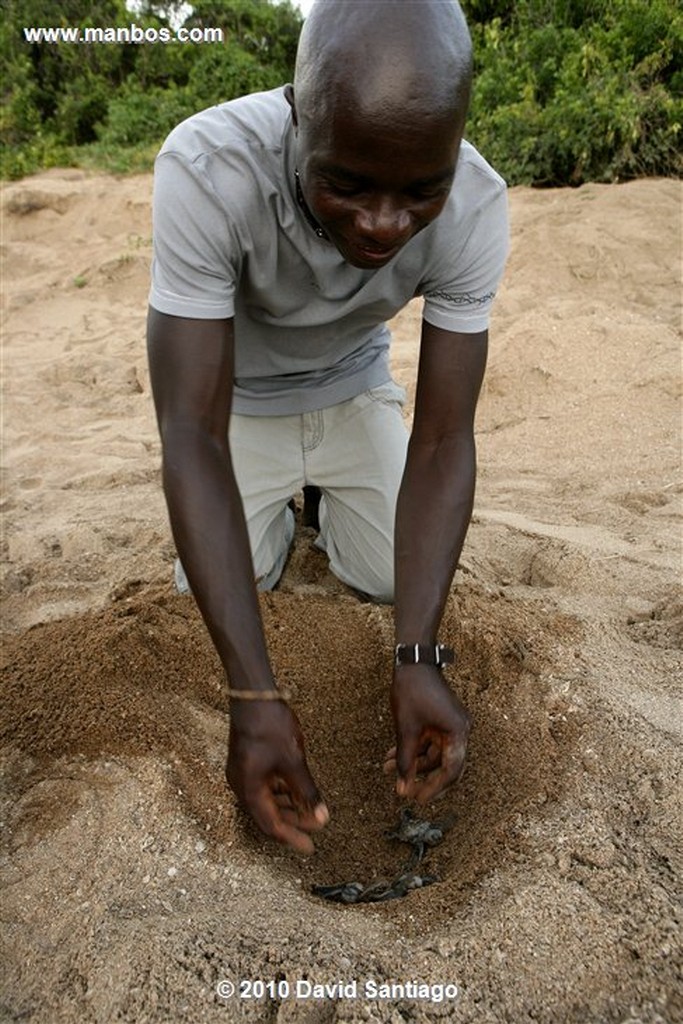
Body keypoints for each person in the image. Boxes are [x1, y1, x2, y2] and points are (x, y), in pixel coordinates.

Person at [147, 0, 509, 854]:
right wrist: (253, 697)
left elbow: (443, 437)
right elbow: (188, 432)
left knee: (394, 577)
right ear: (296, 114)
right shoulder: (207, 168)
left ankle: (322, 499)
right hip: (233, 404)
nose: (384, 224)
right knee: (226, 584)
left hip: (353, 389)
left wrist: (416, 657)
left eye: (420, 190)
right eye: (346, 183)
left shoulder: (475, 205)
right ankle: (288, 506)